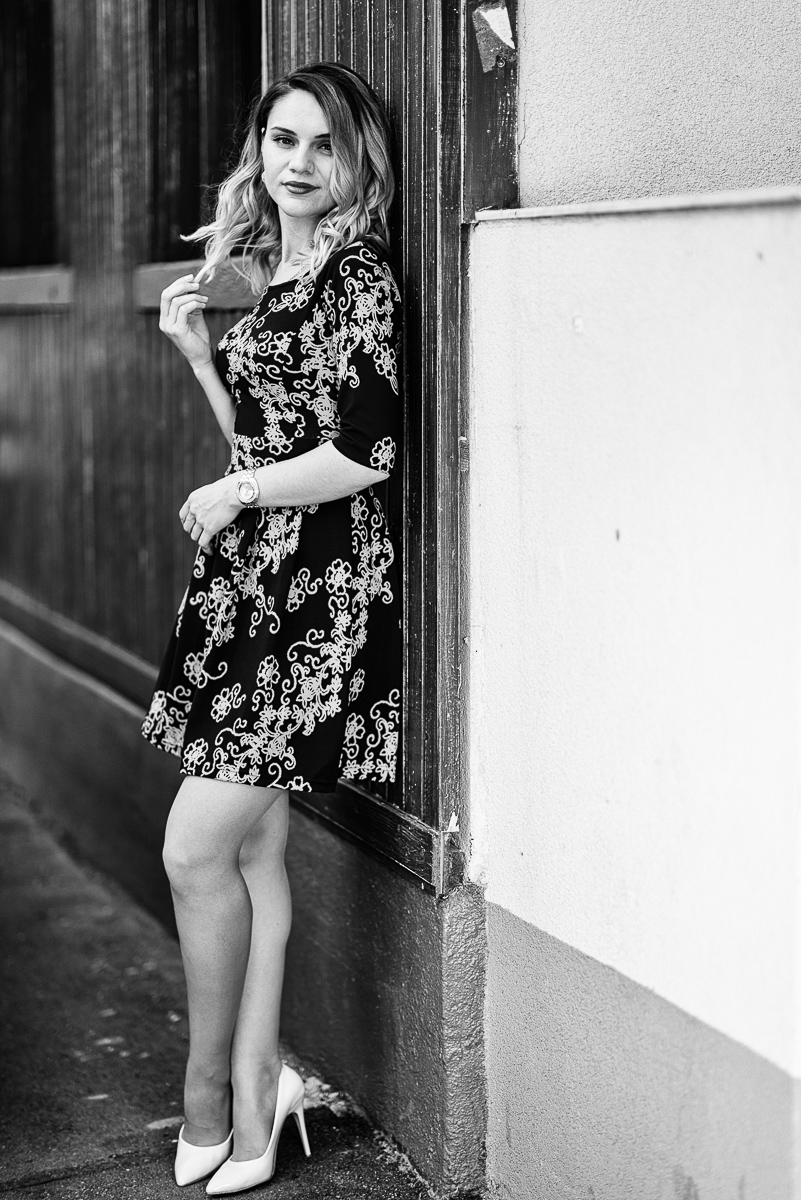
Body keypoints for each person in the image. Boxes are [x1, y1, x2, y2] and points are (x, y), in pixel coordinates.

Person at [141, 61, 402, 1195]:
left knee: (192, 848)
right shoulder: (282, 269)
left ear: (355, 162)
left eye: (323, 144)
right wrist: (206, 362)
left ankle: (209, 1091)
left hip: (316, 596)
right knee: (251, 849)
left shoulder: (356, 275)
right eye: (282, 139)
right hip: (253, 582)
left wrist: (238, 493)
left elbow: (364, 453)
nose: (298, 163)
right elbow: (263, 442)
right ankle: (261, 1098)